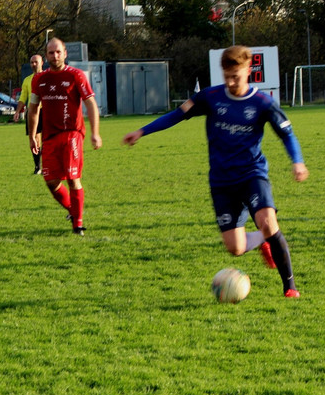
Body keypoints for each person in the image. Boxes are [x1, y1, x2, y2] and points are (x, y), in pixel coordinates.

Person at [123, 45, 308, 298]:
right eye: (227, 76)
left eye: (236, 76)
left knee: (267, 222)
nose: (231, 82)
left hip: (252, 175)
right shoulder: (209, 97)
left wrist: (297, 161)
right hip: (221, 181)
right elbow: (177, 115)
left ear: (249, 70)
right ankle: (262, 240)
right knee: (235, 248)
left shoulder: (263, 103)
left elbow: (287, 135)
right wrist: (142, 131)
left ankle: (290, 287)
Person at [27, 38, 102, 235]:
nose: (55, 56)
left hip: (72, 134)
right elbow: (33, 109)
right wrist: (33, 135)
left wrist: (95, 133)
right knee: (50, 180)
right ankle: (72, 210)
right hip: (50, 137)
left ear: (65, 53)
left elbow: (91, 104)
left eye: (58, 52)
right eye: (51, 53)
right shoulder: (39, 80)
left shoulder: (76, 75)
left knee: (72, 178)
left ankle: (78, 225)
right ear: (46, 55)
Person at [14, 54, 45, 174]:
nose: (33, 64)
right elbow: (23, 97)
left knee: (47, 140)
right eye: (32, 62)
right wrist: (17, 111)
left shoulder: (47, 77)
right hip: (32, 112)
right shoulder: (27, 80)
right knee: (35, 139)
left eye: (36, 62)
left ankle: (47, 165)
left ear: (42, 62)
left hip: (46, 111)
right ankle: (38, 166)